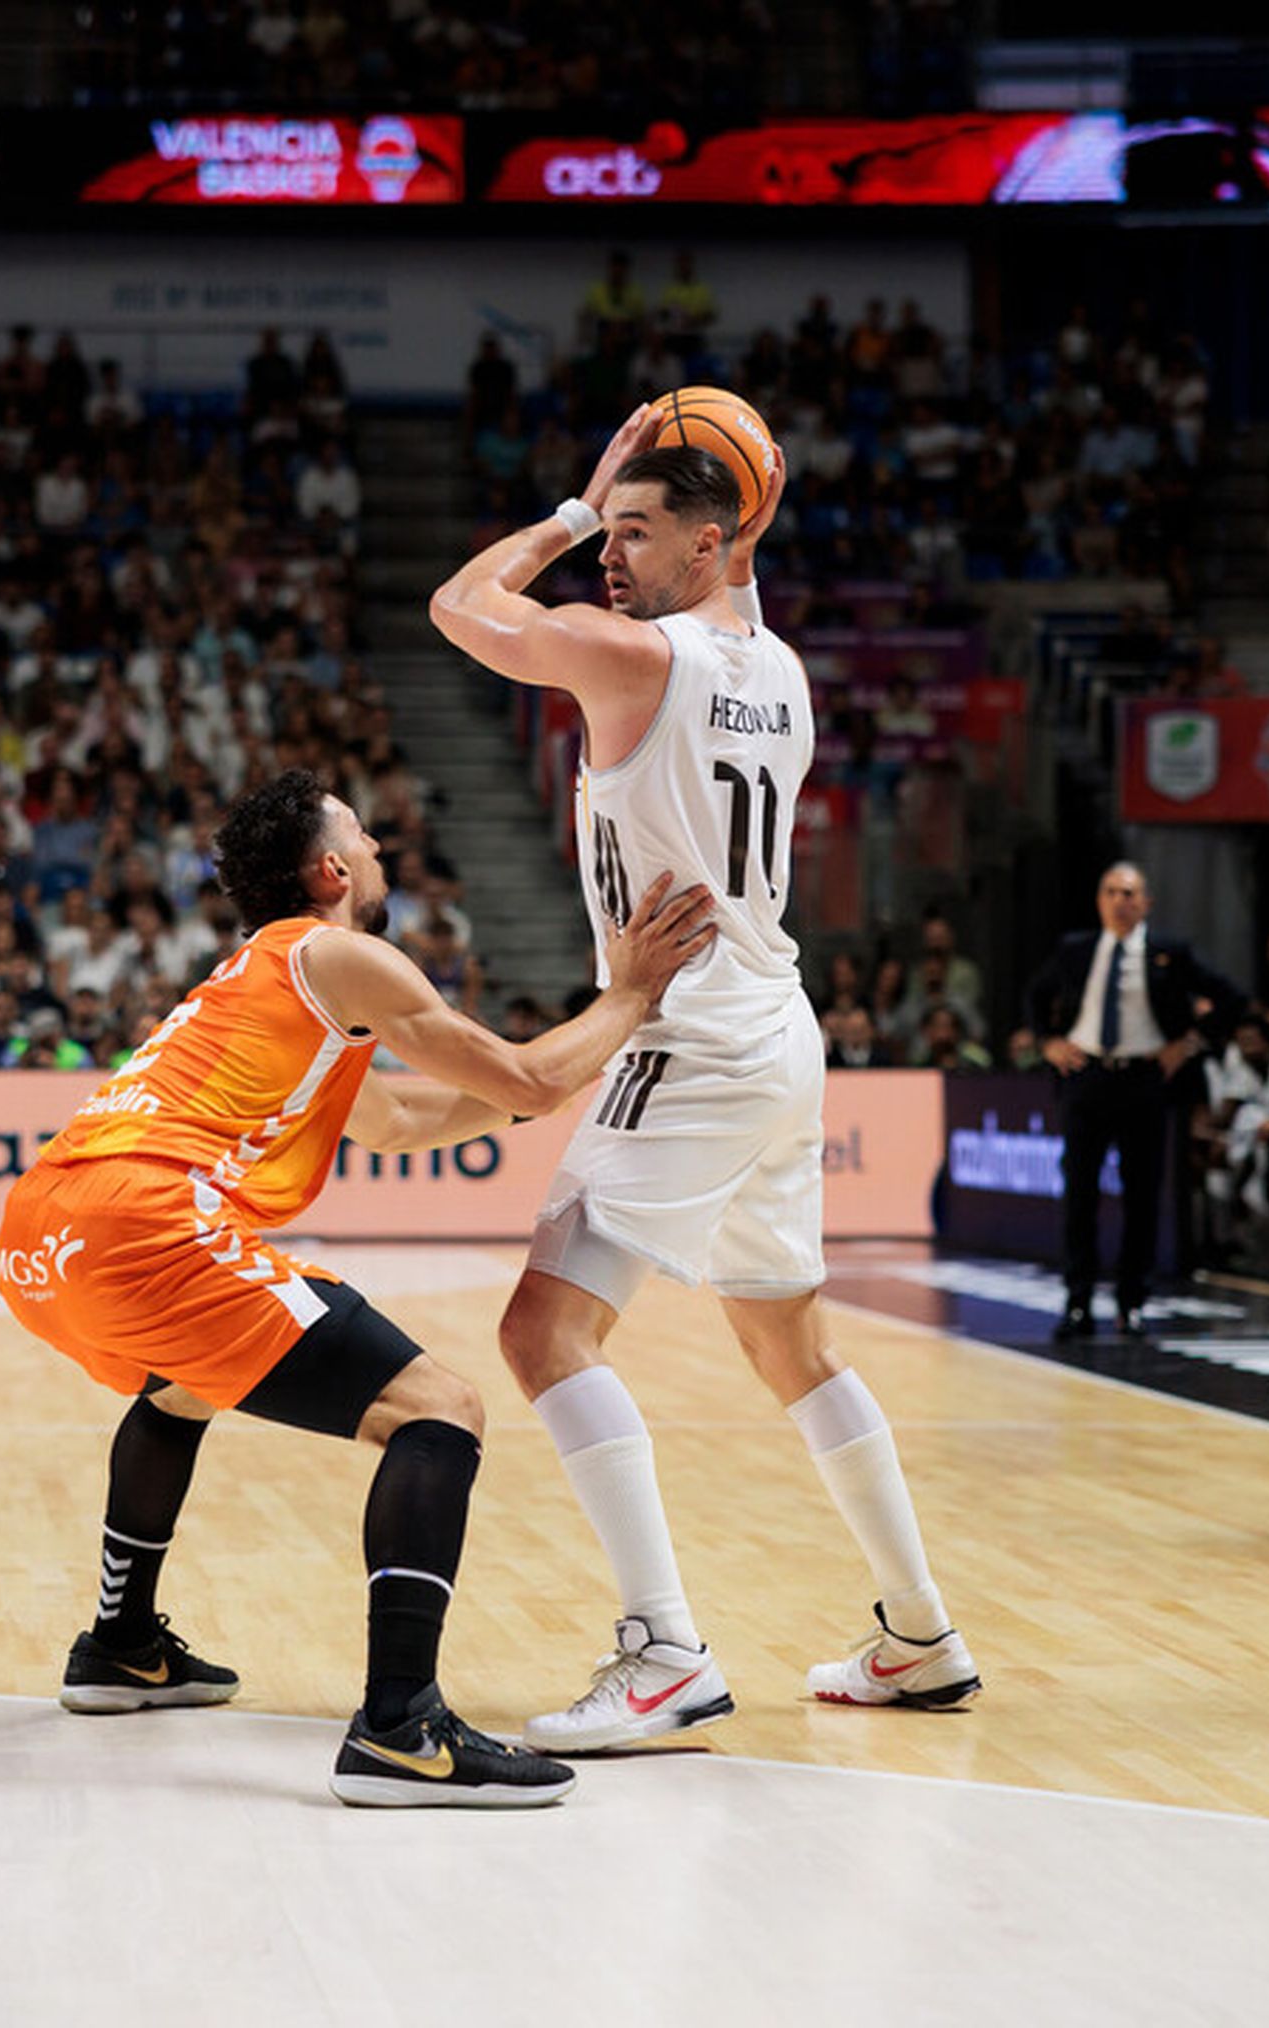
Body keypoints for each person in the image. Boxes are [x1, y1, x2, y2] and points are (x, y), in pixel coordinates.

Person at [0, 768, 712, 1806]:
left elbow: (406, 1121)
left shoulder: (263, 977)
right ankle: (400, 1725)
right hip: (142, 1217)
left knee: (184, 1385)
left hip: (42, 1231)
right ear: (332, 869)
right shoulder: (343, 953)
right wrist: (629, 998)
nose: (380, 850)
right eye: (366, 838)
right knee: (440, 1411)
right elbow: (523, 1076)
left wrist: (545, 1087)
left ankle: (121, 1645)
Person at [429, 408, 981, 1749]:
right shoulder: (780, 667)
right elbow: (736, 564)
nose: (608, 553)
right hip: (777, 1024)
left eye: (634, 531)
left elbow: (458, 604)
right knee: (791, 1342)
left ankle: (665, 1650)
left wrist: (564, 504)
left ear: (711, 534)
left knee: (541, 1334)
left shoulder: (628, 658)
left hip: (684, 1033)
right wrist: (712, 484)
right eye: (605, 532)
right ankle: (919, 1632)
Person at [1026, 861, 1243, 1341]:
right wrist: (1049, 1043)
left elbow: (1229, 998)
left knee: (1142, 1197)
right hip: (1087, 1078)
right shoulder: (1075, 950)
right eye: (1111, 891)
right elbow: (1035, 997)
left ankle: (1132, 1304)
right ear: (1099, 900)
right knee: (1079, 1196)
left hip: (1144, 1080)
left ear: (1146, 902)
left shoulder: (1170, 953)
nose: (1121, 900)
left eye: (1130, 893)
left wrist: (1185, 1045)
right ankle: (1078, 1302)